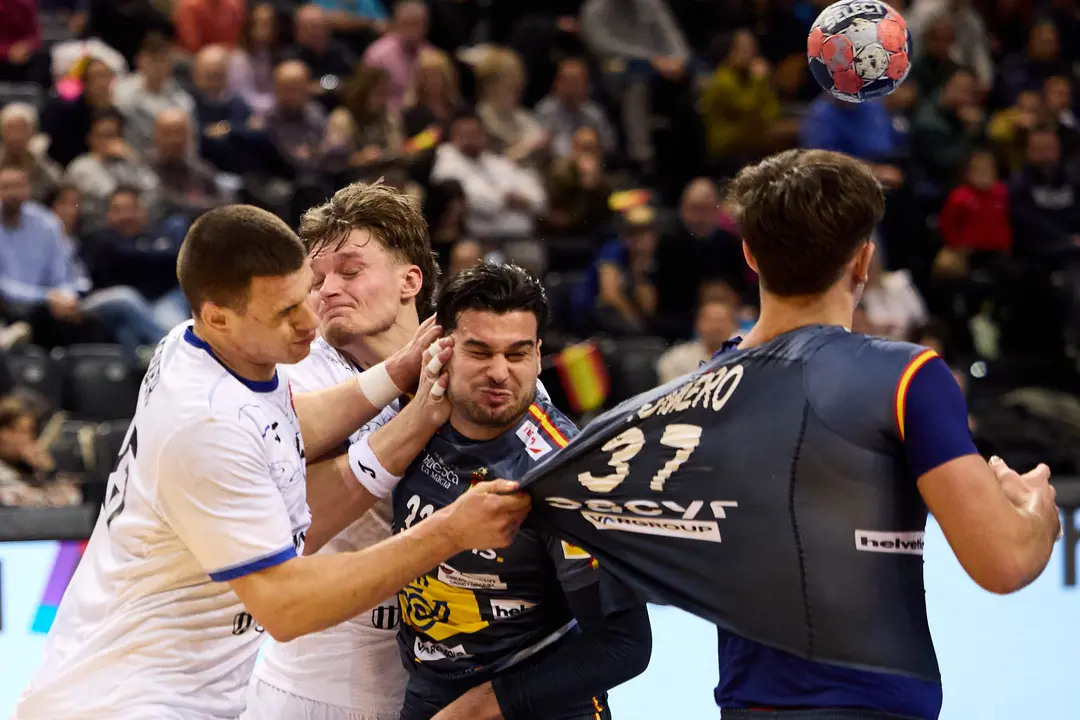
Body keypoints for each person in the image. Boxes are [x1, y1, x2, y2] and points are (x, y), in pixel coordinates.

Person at [523, 149, 1061, 720]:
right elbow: (1001, 562)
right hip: (874, 705)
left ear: (751, 257)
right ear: (863, 261)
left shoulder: (696, 394)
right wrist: (1036, 512)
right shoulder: (908, 378)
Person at [14, 204, 532, 719]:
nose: (313, 317)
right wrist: (448, 531)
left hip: (165, 684)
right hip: (133, 699)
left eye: (303, 292)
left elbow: (289, 423)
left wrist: (397, 375)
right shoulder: (209, 424)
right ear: (218, 315)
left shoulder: (196, 348)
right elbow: (285, 605)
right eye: (287, 311)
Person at [373, 263, 652, 720]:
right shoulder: (406, 421)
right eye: (480, 351)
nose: (499, 373)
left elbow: (624, 645)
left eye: (517, 353)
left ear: (539, 355)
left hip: (538, 702)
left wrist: (480, 709)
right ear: (445, 346)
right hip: (428, 690)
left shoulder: (566, 473)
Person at [246, 180, 441, 720]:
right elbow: (294, 525)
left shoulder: (478, 361)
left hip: (451, 672)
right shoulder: (289, 375)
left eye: (350, 271)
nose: (328, 289)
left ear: (410, 280)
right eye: (317, 279)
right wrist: (415, 418)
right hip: (319, 684)